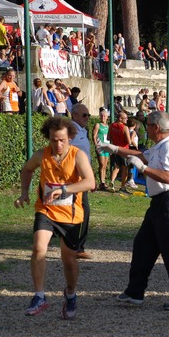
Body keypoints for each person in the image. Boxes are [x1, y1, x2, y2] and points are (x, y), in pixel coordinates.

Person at [98, 112, 169, 310]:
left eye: (149, 125)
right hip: (161, 202)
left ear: (156, 128)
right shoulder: (161, 145)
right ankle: (135, 292)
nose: (146, 128)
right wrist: (116, 149)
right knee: (143, 245)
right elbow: (141, 155)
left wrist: (143, 169)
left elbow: (168, 177)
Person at [14, 117, 95, 319]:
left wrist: (65, 189)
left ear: (70, 138)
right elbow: (27, 169)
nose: (58, 144)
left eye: (61, 140)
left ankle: (70, 294)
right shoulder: (42, 155)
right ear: (48, 139)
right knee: (39, 249)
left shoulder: (78, 156)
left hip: (71, 215)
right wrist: (24, 192)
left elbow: (90, 182)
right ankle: (39, 296)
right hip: (46, 210)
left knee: (69, 261)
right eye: (53, 140)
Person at [69, 104, 93, 259]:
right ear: (75, 115)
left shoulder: (82, 130)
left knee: (79, 210)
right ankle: (76, 247)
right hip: (73, 178)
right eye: (85, 115)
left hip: (82, 178)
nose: (88, 118)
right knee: (80, 210)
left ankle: (76, 246)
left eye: (88, 115)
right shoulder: (71, 130)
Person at [107, 111, 132, 193]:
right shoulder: (125, 128)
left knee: (116, 167)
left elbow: (108, 138)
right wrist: (133, 136)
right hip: (124, 150)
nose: (127, 119)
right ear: (120, 119)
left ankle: (112, 181)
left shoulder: (111, 125)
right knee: (125, 169)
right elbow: (129, 142)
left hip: (115, 149)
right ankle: (123, 187)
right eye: (125, 118)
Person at [93, 109, 110, 191]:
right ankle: (101, 182)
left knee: (105, 165)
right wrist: (96, 145)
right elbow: (94, 136)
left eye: (104, 116)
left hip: (107, 147)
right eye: (102, 116)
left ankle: (103, 182)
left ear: (107, 117)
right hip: (100, 147)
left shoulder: (107, 126)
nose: (103, 117)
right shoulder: (98, 125)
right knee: (102, 164)